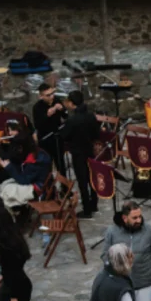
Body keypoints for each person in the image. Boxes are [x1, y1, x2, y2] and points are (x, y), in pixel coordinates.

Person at [61, 90, 100, 218]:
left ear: (72, 104)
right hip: (90, 150)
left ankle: (87, 209)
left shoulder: (72, 120)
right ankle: (94, 204)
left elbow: (64, 136)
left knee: (83, 181)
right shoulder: (91, 116)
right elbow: (96, 133)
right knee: (92, 178)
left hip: (78, 153)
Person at [32, 82, 67, 174]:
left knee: (60, 164)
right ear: (41, 96)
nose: (52, 96)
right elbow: (37, 125)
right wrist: (47, 115)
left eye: (52, 93)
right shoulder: (37, 107)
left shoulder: (57, 100)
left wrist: (63, 109)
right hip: (45, 139)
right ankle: (49, 186)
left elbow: (65, 116)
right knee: (47, 166)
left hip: (57, 137)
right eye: (48, 95)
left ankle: (65, 187)